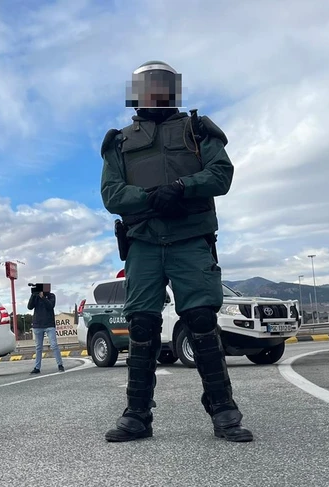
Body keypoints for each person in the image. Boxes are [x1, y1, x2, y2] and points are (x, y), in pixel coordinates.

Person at [99, 60, 253, 443]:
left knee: (201, 319)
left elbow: (222, 174)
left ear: (173, 89)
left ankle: (223, 410)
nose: (154, 92)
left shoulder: (197, 131)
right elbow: (110, 193)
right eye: (147, 85)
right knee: (142, 325)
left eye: (161, 84)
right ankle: (137, 414)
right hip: (144, 241)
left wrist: (183, 187)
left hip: (189, 238)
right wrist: (149, 198)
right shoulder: (119, 140)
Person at [28, 282, 64, 374]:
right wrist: (33, 295)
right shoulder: (35, 297)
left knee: (54, 345)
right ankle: (37, 367)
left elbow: (50, 306)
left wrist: (42, 297)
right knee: (38, 347)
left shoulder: (51, 296)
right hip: (38, 325)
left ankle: (60, 364)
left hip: (49, 324)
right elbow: (29, 307)